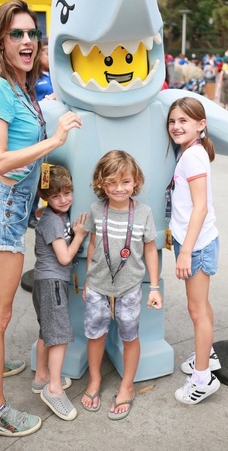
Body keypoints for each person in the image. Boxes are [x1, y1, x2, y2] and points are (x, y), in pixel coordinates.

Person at [0, 0, 82, 437]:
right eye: (16, 34)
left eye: (31, 33)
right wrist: (54, 139)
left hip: (13, 209)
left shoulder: (22, 88)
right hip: (2, 209)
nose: (26, 41)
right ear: (0, 41)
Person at [80, 150, 162, 420]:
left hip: (130, 287)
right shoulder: (95, 210)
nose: (119, 188)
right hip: (97, 286)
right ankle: (94, 381)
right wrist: (87, 281)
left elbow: (150, 250)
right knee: (95, 335)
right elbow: (93, 244)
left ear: (135, 181)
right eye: (112, 182)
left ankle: (127, 386)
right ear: (101, 183)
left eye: (125, 182)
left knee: (130, 336)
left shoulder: (144, 213)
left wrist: (154, 287)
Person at [166, 96, 221, 405]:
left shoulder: (192, 156)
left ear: (201, 125)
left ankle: (202, 378)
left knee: (196, 310)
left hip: (196, 244)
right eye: (173, 121)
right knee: (201, 306)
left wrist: (185, 251)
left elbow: (199, 207)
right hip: (197, 239)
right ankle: (208, 354)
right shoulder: (190, 151)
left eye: (183, 121)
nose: (176, 126)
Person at [32, 165, 87, 420]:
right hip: (52, 282)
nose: (63, 200)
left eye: (67, 193)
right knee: (60, 335)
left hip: (44, 282)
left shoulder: (52, 214)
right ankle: (53, 389)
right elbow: (64, 257)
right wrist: (79, 235)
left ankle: (41, 376)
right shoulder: (53, 220)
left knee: (47, 331)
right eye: (56, 196)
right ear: (47, 197)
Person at [28, 36, 54, 228]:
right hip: (40, 133)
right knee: (37, 171)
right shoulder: (34, 78)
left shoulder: (57, 76)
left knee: (50, 172)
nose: (49, 56)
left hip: (56, 132)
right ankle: (30, 212)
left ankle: (51, 208)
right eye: (46, 52)